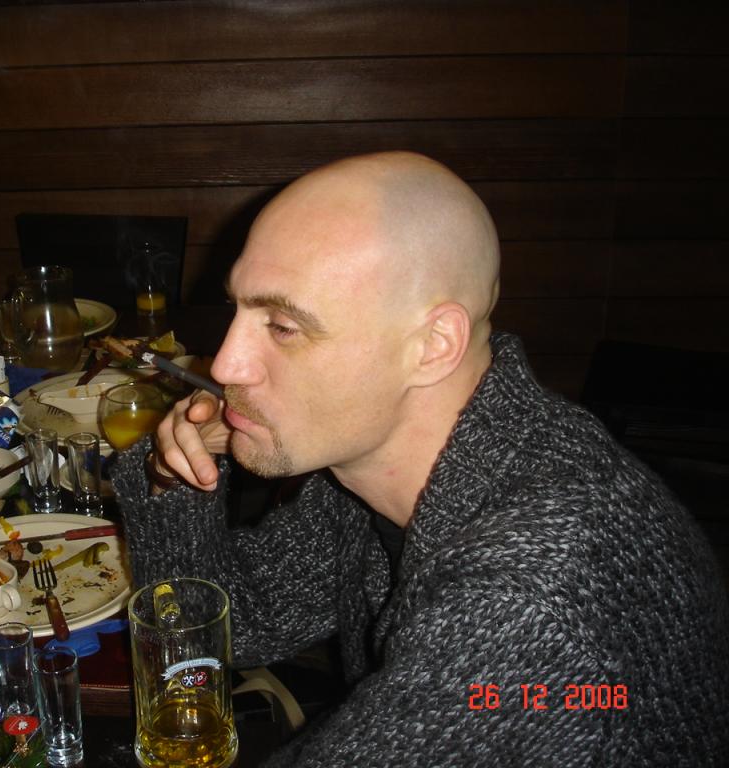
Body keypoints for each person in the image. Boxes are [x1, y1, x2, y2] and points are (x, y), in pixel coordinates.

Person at [110, 152, 729, 765]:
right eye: (238, 310)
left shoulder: (525, 610)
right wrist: (175, 477)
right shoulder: (379, 466)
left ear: (433, 346)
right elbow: (237, 624)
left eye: (282, 326)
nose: (225, 365)